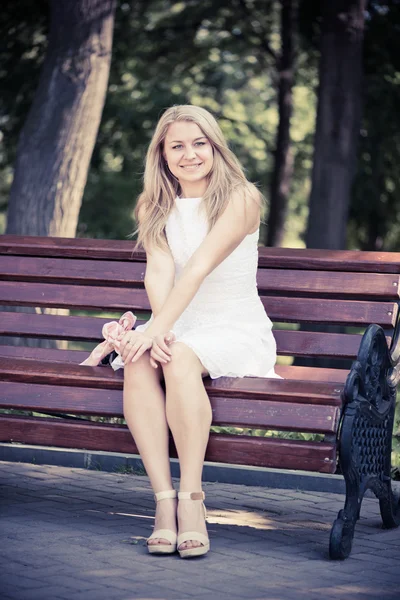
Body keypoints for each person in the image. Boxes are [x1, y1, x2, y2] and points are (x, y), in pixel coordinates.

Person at [111, 104, 279, 559]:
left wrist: (161, 330)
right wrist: (158, 329)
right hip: (177, 318)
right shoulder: (154, 203)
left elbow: (200, 267)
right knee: (138, 356)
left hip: (233, 325)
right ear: (162, 155)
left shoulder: (241, 197)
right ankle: (163, 503)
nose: (190, 154)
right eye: (177, 146)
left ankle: (192, 500)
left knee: (178, 355)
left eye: (199, 143)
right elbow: (159, 271)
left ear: (215, 146)